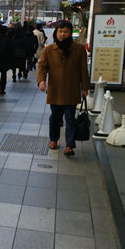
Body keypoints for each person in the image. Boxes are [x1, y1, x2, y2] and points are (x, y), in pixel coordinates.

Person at [37, 20, 90, 157]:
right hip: (55, 90)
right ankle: (53, 140)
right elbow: (42, 67)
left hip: (71, 90)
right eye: (60, 32)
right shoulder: (49, 50)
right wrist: (41, 81)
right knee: (55, 117)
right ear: (56, 33)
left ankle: (69, 145)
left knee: (70, 118)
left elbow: (84, 70)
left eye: (65, 32)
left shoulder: (79, 50)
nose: (62, 34)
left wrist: (85, 87)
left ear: (70, 33)